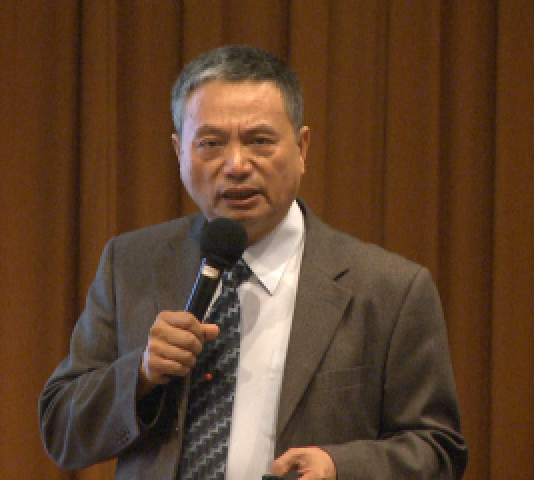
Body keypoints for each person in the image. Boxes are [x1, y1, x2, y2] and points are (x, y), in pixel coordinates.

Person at [39, 45, 467, 480]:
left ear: (301, 148)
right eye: (210, 144)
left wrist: (341, 467)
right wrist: (142, 374)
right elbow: (61, 428)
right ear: (180, 152)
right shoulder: (131, 264)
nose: (236, 165)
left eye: (260, 141)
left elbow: (438, 450)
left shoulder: (389, 289)